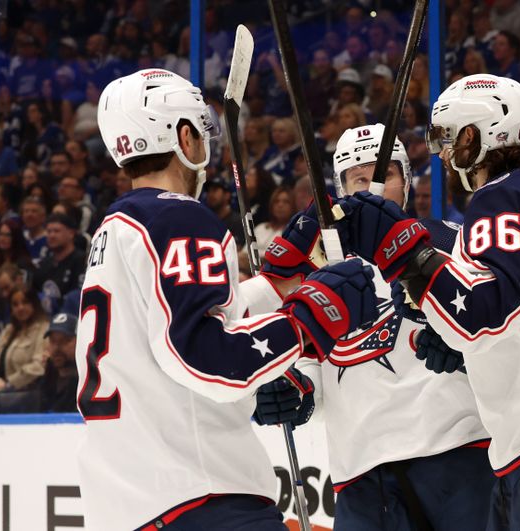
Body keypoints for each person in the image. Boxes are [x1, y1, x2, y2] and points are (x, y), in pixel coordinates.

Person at [335, 74, 520, 530]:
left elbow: (483, 313)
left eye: (447, 136)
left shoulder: (499, 197)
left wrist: (408, 254)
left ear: (475, 135)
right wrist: (457, 346)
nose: (441, 152)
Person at [79, 68, 377, 530]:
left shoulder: (113, 230)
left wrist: (277, 284)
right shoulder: (177, 218)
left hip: (132, 505)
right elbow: (205, 357)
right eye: (200, 130)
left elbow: (185, 327)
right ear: (183, 136)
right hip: (202, 496)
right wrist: (309, 318)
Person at [255, 124, 494, 530]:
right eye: (359, 179)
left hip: (456, 449)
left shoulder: (448, 243)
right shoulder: (317, 271)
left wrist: (467, 347)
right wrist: (294, 389)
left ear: (406, 181)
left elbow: (492, 326)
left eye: (385, 177)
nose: (373, 189)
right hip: (362, 469)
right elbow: (310, 354)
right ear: (340, 189)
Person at [31, 213, 86, 315]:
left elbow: (80, 298)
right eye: (49, 231)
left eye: (56, 231)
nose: (51, 235)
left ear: (71, 233)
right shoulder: (44, 264)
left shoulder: (82, 261)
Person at [39, 312, 80, 413]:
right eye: (53, 341)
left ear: (80, 342)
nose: (57, 347)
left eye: (65, 341)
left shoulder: (88, 385)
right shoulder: (47, 380)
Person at [204, 175, 245, 248]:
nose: (210, 194)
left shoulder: (237, 221)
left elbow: (236, 250)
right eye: (209, 191)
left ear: (227, 195)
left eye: (215, 190)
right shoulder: (205, 219)